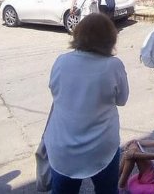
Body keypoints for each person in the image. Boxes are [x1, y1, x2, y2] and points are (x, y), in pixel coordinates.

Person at [43, 13, 129, 194]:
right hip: (102, 147)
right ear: (110, 38)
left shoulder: (62, 61)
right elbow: (122, 99)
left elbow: (55, 92)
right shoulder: (113, 65)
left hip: (62, 147)